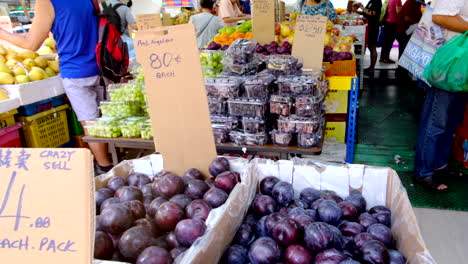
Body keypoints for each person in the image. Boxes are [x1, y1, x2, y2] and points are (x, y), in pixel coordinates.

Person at [0, 0, 114, 174]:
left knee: (91, 124)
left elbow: (31, 44)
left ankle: (106, 169)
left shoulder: (47, 1)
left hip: (76, 72)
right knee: (108, 119)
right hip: (103, 65)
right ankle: (118, 162)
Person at [413, 0, 468, 192]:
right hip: (448, 66)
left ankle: (439, 165)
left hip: (461, 68)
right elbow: (439, 16)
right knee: (436, 122)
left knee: (451, 121)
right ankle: (423, 171)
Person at [354, 0, 382, 76]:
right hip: (368, 27)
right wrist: (355, 11)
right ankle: (369, 68)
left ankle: (372, 68)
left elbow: (372, 13)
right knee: (369, 46)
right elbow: (365, 13)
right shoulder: (371, 1)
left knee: (372, 47)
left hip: (373, 27)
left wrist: (362, 7)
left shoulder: (377, 2)